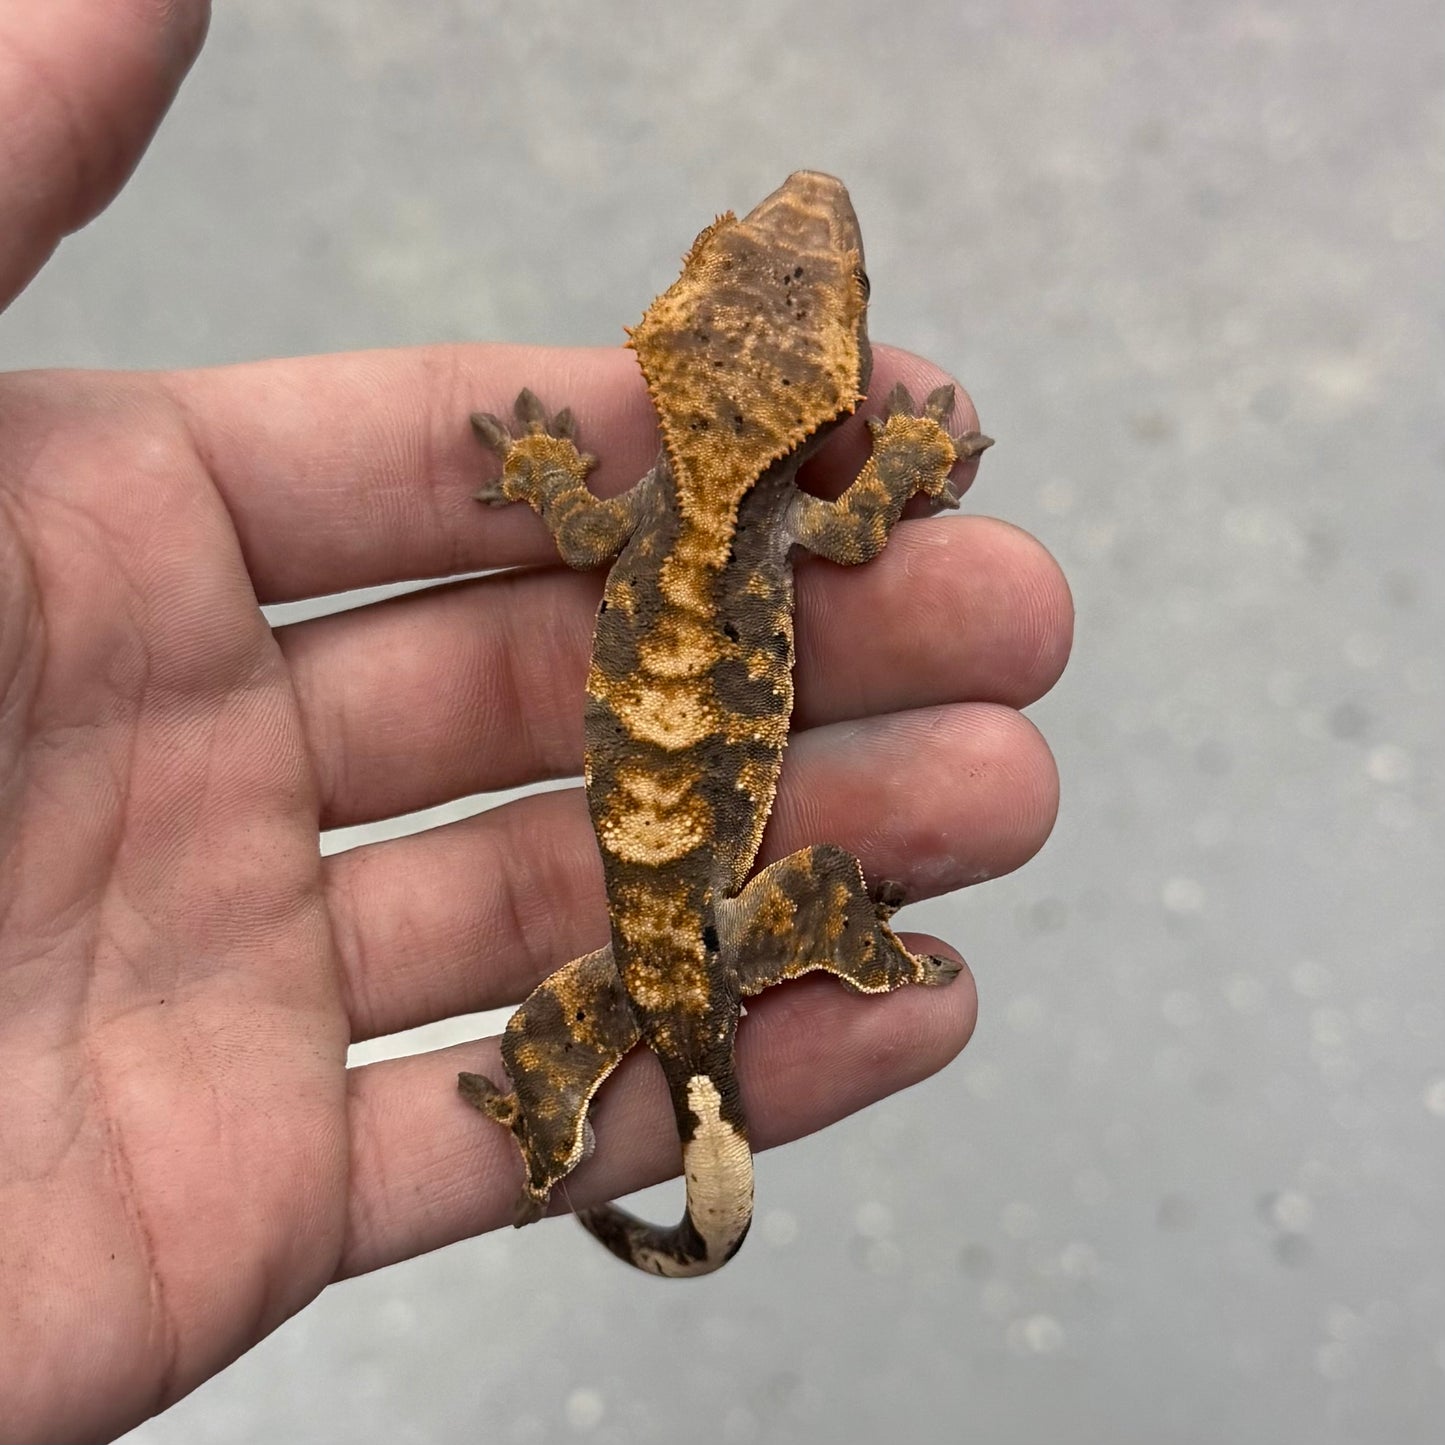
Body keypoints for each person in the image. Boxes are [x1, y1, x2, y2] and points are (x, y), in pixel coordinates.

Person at [0, 7, 1072, 1441]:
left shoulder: (649, 516)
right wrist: (921, 454)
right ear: (817, 392)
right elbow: (875, 509)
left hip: (663, 925)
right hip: (694, 924)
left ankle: (597, 1110)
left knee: (618, 1009)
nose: (802, 224)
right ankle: (780, 1001)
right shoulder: (793, 524)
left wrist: (545, 471)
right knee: (736, 937)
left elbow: (569, 516)